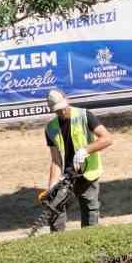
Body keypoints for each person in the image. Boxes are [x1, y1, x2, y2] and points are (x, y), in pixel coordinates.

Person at [42, 89, 111, 231]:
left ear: (66, 100)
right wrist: (51, 186)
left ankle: (89, 243)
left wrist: (86, 150)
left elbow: (107, 138)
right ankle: (57, 242)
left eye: (62, 108)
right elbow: (55, 161)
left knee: (90, 213)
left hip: (88, 173)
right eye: (57, 111)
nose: (61, 112)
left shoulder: (85, 116)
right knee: (55, 208)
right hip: (66, 176)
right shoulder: (51, 128)